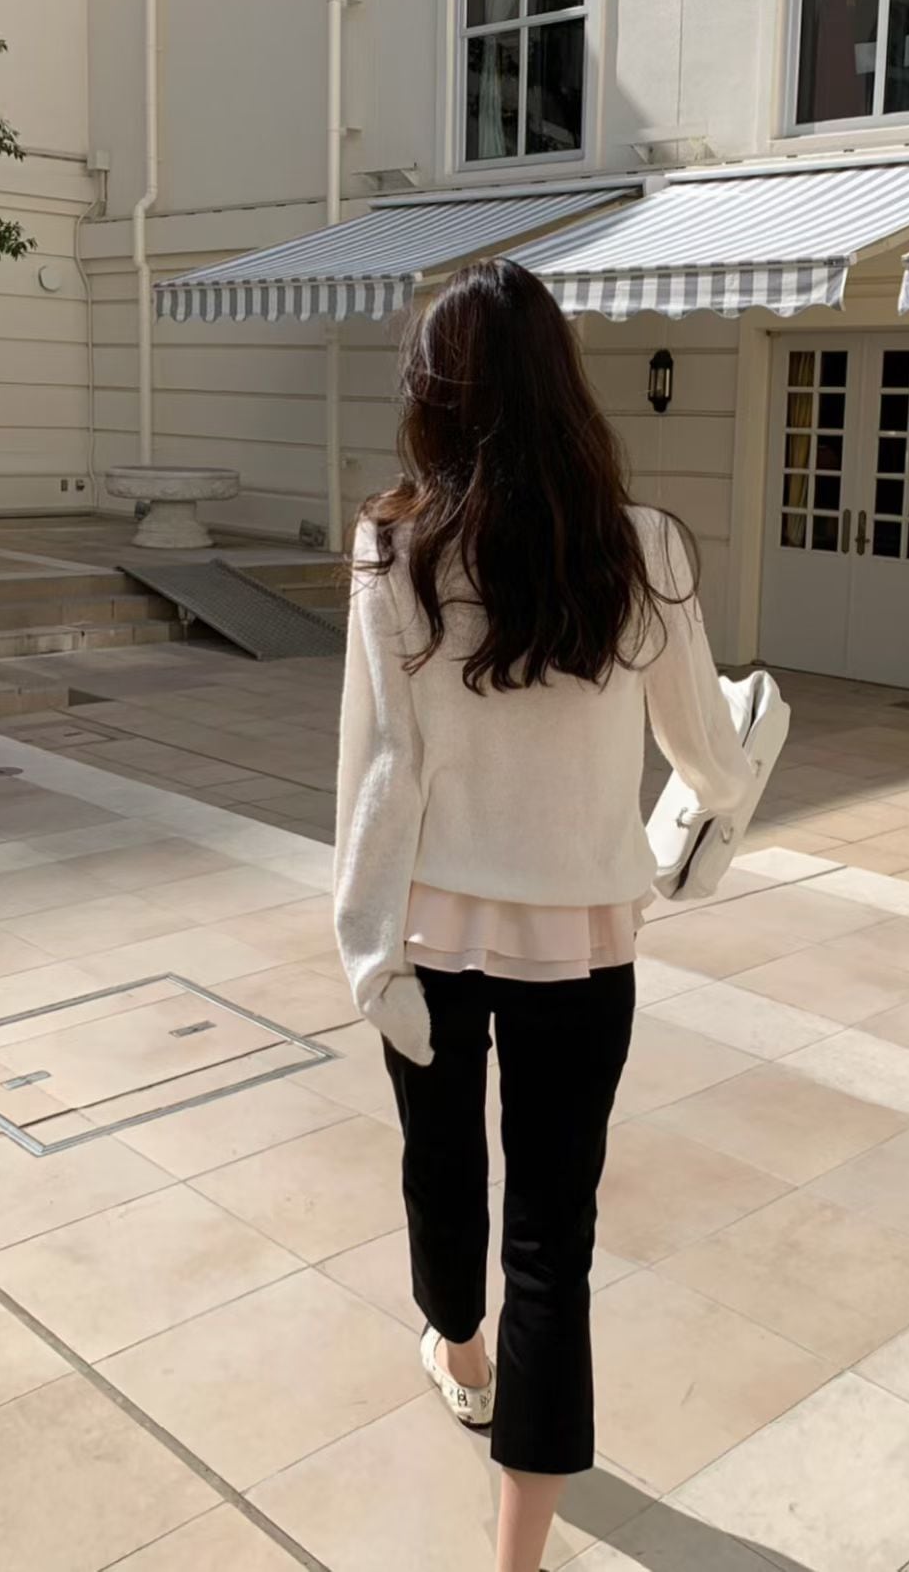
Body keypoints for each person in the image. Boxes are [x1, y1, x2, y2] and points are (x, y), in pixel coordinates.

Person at [333, 257, 752, 1572]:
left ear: (436, 394)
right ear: (562, 381)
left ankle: (459, 1351)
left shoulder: (397, 545)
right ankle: (516, 1558)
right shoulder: (644, 547)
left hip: (431, 935)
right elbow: (708, 750)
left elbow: (380, 766)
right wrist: (718, 792)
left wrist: (366, 950)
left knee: (441, 1169)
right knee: (552, 1245)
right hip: (585, 940)